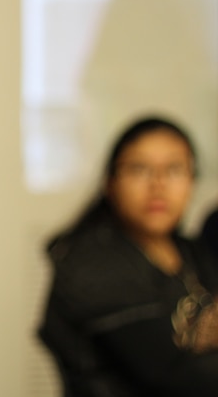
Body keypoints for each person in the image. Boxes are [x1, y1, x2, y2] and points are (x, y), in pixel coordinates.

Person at [38, 116, 218, 396]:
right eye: (139, 169)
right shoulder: (91, 265)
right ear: (110, 182)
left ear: (192, 181)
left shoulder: (190, 251)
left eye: (174, 169)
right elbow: (174, 376)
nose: (158, 185)